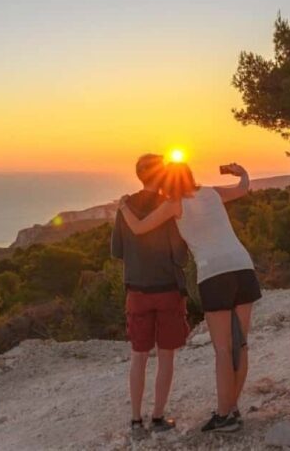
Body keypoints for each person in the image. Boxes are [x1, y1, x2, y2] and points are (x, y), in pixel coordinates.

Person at [118, 162, 261, 433]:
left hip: (214, 274)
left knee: (222, 349)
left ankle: (223, 416)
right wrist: (242, 172)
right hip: (243, 267)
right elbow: (243, 189)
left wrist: (124, 205)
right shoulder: (212, 193)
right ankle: (233, 410)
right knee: (240, 346)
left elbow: (139, 228)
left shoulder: (174, 204)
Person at [111, 154, 190, 435]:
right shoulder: (168, 206)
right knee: (166, 356)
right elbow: (179, 254)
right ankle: (158, 418)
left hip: (137, 291)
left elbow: (117, 250)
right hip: (167, 289)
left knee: (138, 356)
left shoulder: (125, 206)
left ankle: (135, 420)